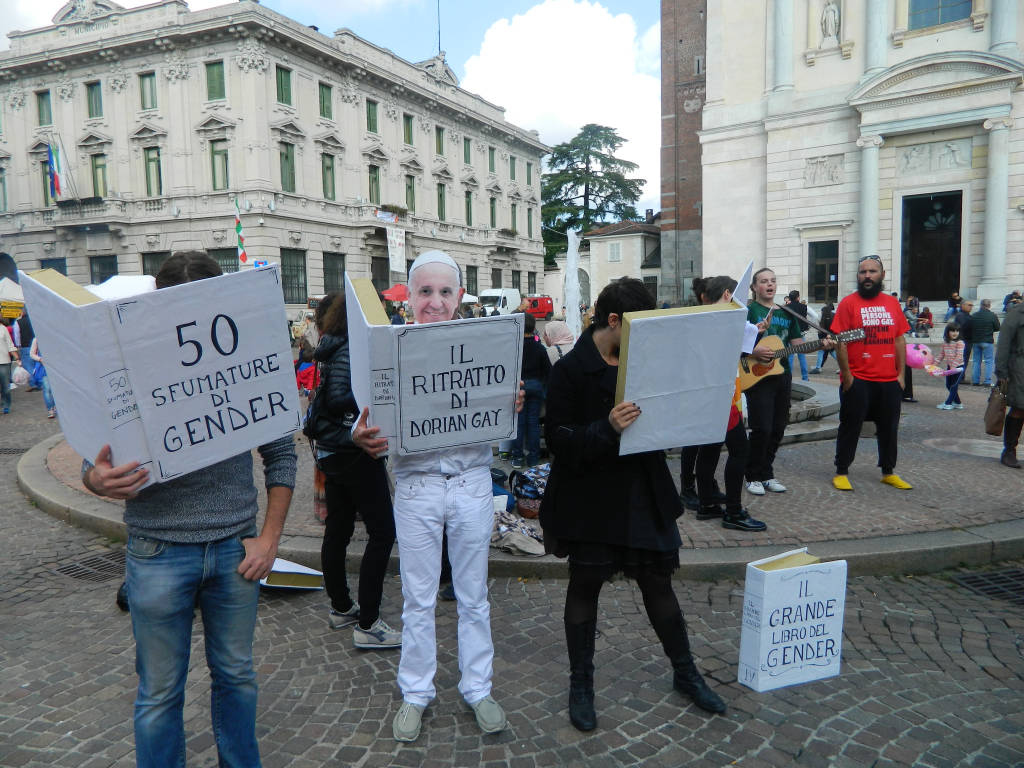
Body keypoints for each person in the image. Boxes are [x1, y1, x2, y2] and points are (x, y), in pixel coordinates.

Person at [82, 250, 297, 767]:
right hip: (157, 549)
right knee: (158, 692)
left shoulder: (247, 355)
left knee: (237, 677)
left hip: (234, 549)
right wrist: (97, 481)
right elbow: (94, 464)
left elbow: (282, 452)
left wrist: (269, 539)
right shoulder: (126, 366)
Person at [539, 277, 727, 734]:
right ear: (613, 321)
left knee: (658, 584)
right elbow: (557, 440)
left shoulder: (646, 361)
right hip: (589, 495)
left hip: (641, 491)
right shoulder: (569, 370)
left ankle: (686, 672)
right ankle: (580, 684)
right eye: (638, 326)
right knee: (584, 587)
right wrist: (605, 427)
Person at [353, 250, 519, 743]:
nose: (435, 302)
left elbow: (501, 423)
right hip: (417, 487)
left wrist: (509, 404)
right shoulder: (389, 348)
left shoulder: (487, 345)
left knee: (474, 597)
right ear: (410, 297)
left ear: (459, 297)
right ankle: (416, 693)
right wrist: (358, 435)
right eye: (425, 291)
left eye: (445, 292)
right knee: (418, 599)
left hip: (470, 482)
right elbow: (361, 411)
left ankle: (478, 688)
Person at [310, 292, 400, 649]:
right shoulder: (350, 347)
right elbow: (338, 399)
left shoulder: (333, 344)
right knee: (382, 532)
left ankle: (342, 606)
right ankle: (368, 623)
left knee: (339, 528)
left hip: (334, 453)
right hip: (354, 453)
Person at [831, 255, 912, 491]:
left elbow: (899, 339)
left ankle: (888, 471)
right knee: (850, 426)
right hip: (859, 379)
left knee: (889, 428)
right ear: (858, 276)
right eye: (863, 272)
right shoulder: (848, 303)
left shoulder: (892, 303)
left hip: (888, 380)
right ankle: (842, 470)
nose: (867, 276)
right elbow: (840, 342)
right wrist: (847, 376)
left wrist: (901, 376)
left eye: (872, 271)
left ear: (882, 275)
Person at [693, 275, 766, 532]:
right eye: (738, 296)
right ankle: (733, 511)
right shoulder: (723, 321)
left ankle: (707, 503)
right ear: (727, 295)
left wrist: (753, 330)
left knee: (709, 450)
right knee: (739, 451)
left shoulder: (702, 319)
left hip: (706, 397)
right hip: (721, 398)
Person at [744, 268, 805, 496]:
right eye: (763, 281)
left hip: (783, 374)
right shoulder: (749, 311)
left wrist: (822, 344)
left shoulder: (787, 313)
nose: (769, 285)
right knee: (762, 428)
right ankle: (752, 475)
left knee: (778, 428)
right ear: (754, 287)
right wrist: (754, 349)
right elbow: (736, 341)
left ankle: (766, 473)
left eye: (772, 281)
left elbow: (797, 343)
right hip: (757, 375)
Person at [511, 313, 551, 468]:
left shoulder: (515, 347)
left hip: (518, 387)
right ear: (534, 327)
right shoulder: (539, 347)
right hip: (535, 386)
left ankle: (517, 457)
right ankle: (533, 457)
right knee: (533, 423)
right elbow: (548, 370)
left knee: (519, 424)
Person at [995, 298, 1024, 468]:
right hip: (1019, 368)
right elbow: (1004, 344)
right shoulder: (1016, 314)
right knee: (1019, 408)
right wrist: (1002, 371)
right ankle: (1009, 451)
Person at [934, 322, 965, 411]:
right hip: (950, 368)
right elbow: (941, 355)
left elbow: (959, 356)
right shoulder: (945, 343)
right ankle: (958, 403)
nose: (955, 333)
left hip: (958, 368)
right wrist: (934, 364)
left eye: (957, 331)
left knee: (953, 386)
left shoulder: (960, 343)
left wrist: (953, 367)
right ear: (947, 332)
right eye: (952, 331)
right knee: (948, 385)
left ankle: (948, 403)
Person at [969, 299, 1000, 386]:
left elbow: (970, 327)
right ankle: (987, 381)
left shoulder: (974, 315)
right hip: (987, 340)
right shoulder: (992, 315)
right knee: (989, 361)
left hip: (976, 341)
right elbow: (997, 327)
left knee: (976, 361)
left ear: (980, 305)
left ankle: (975, 380)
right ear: (989, 305)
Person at [784, 290, 810, 381]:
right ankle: (805, 377)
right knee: (802, 356)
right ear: (798, 297)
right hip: (800, 334)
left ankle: (789, 377)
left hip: (790, 334)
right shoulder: (804, 307)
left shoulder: (786, 307)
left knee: (790, 356)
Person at [29, 337, 56, 418]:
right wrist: (40, 359)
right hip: (43, 368)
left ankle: (54, 406)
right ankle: (50, 409)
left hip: (55, 367)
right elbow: (32, 354)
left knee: (54, 389)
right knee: (47, 388)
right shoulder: (36, 339)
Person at [810, 302, 835, 374]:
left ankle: (818, 367)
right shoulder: (834, 315)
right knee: (832, 351)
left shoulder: (821, 315)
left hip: (823, 335)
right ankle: (818, 367)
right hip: (831, 335)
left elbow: (817, 322)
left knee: (822, 351)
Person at [0, 318, 17, 414]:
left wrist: (17, 358)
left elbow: (10, 345)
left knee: (5, 387)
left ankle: (6, 404)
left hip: (4, 362)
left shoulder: (3, 329)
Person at [953, 300, 974, 373]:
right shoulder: (960, 315)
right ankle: (959, 377)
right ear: (962, 306)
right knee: (962, 360)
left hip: (967, 340)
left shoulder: (968, 315)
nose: (971, 307)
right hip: (963, 340)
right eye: (969, 305)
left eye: (972, 305)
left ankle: (961, 376)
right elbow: (964, 327)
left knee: (964, 360)